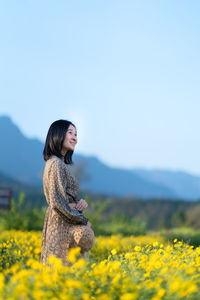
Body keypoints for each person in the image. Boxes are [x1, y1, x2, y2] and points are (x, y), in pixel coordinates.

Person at [40, 119, 95, 267]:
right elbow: (57, 202)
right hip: (61, 224)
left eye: (76, 134)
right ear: (57, 134)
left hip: (64, 219)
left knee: (65, 271)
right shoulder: (55, 164)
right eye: (70, 133)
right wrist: (82, 220)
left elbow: (62, 198)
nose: (75, 138)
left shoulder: (58, 163)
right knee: (63, 269)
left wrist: (77, 204)